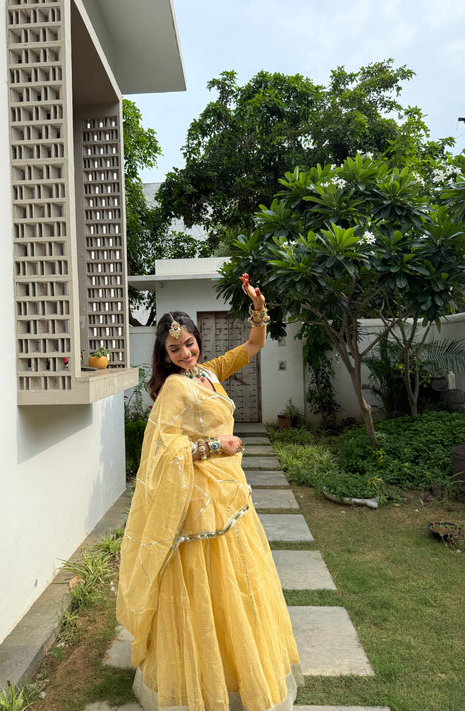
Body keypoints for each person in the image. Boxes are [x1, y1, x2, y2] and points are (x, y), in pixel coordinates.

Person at [117, 274, 303, 711]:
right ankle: (203, 676)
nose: (185, 353)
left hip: (228, 492)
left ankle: (237, 667)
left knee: (236, 582)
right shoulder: (175, 387)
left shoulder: (208, 373)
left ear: (198, 341)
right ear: (164, 355)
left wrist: (258, 307)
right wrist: (214, 446)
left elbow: (253, 346)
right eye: (175, 350)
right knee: (204, 583)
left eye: (189, 344)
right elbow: (162, 449)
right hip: (196, 499)